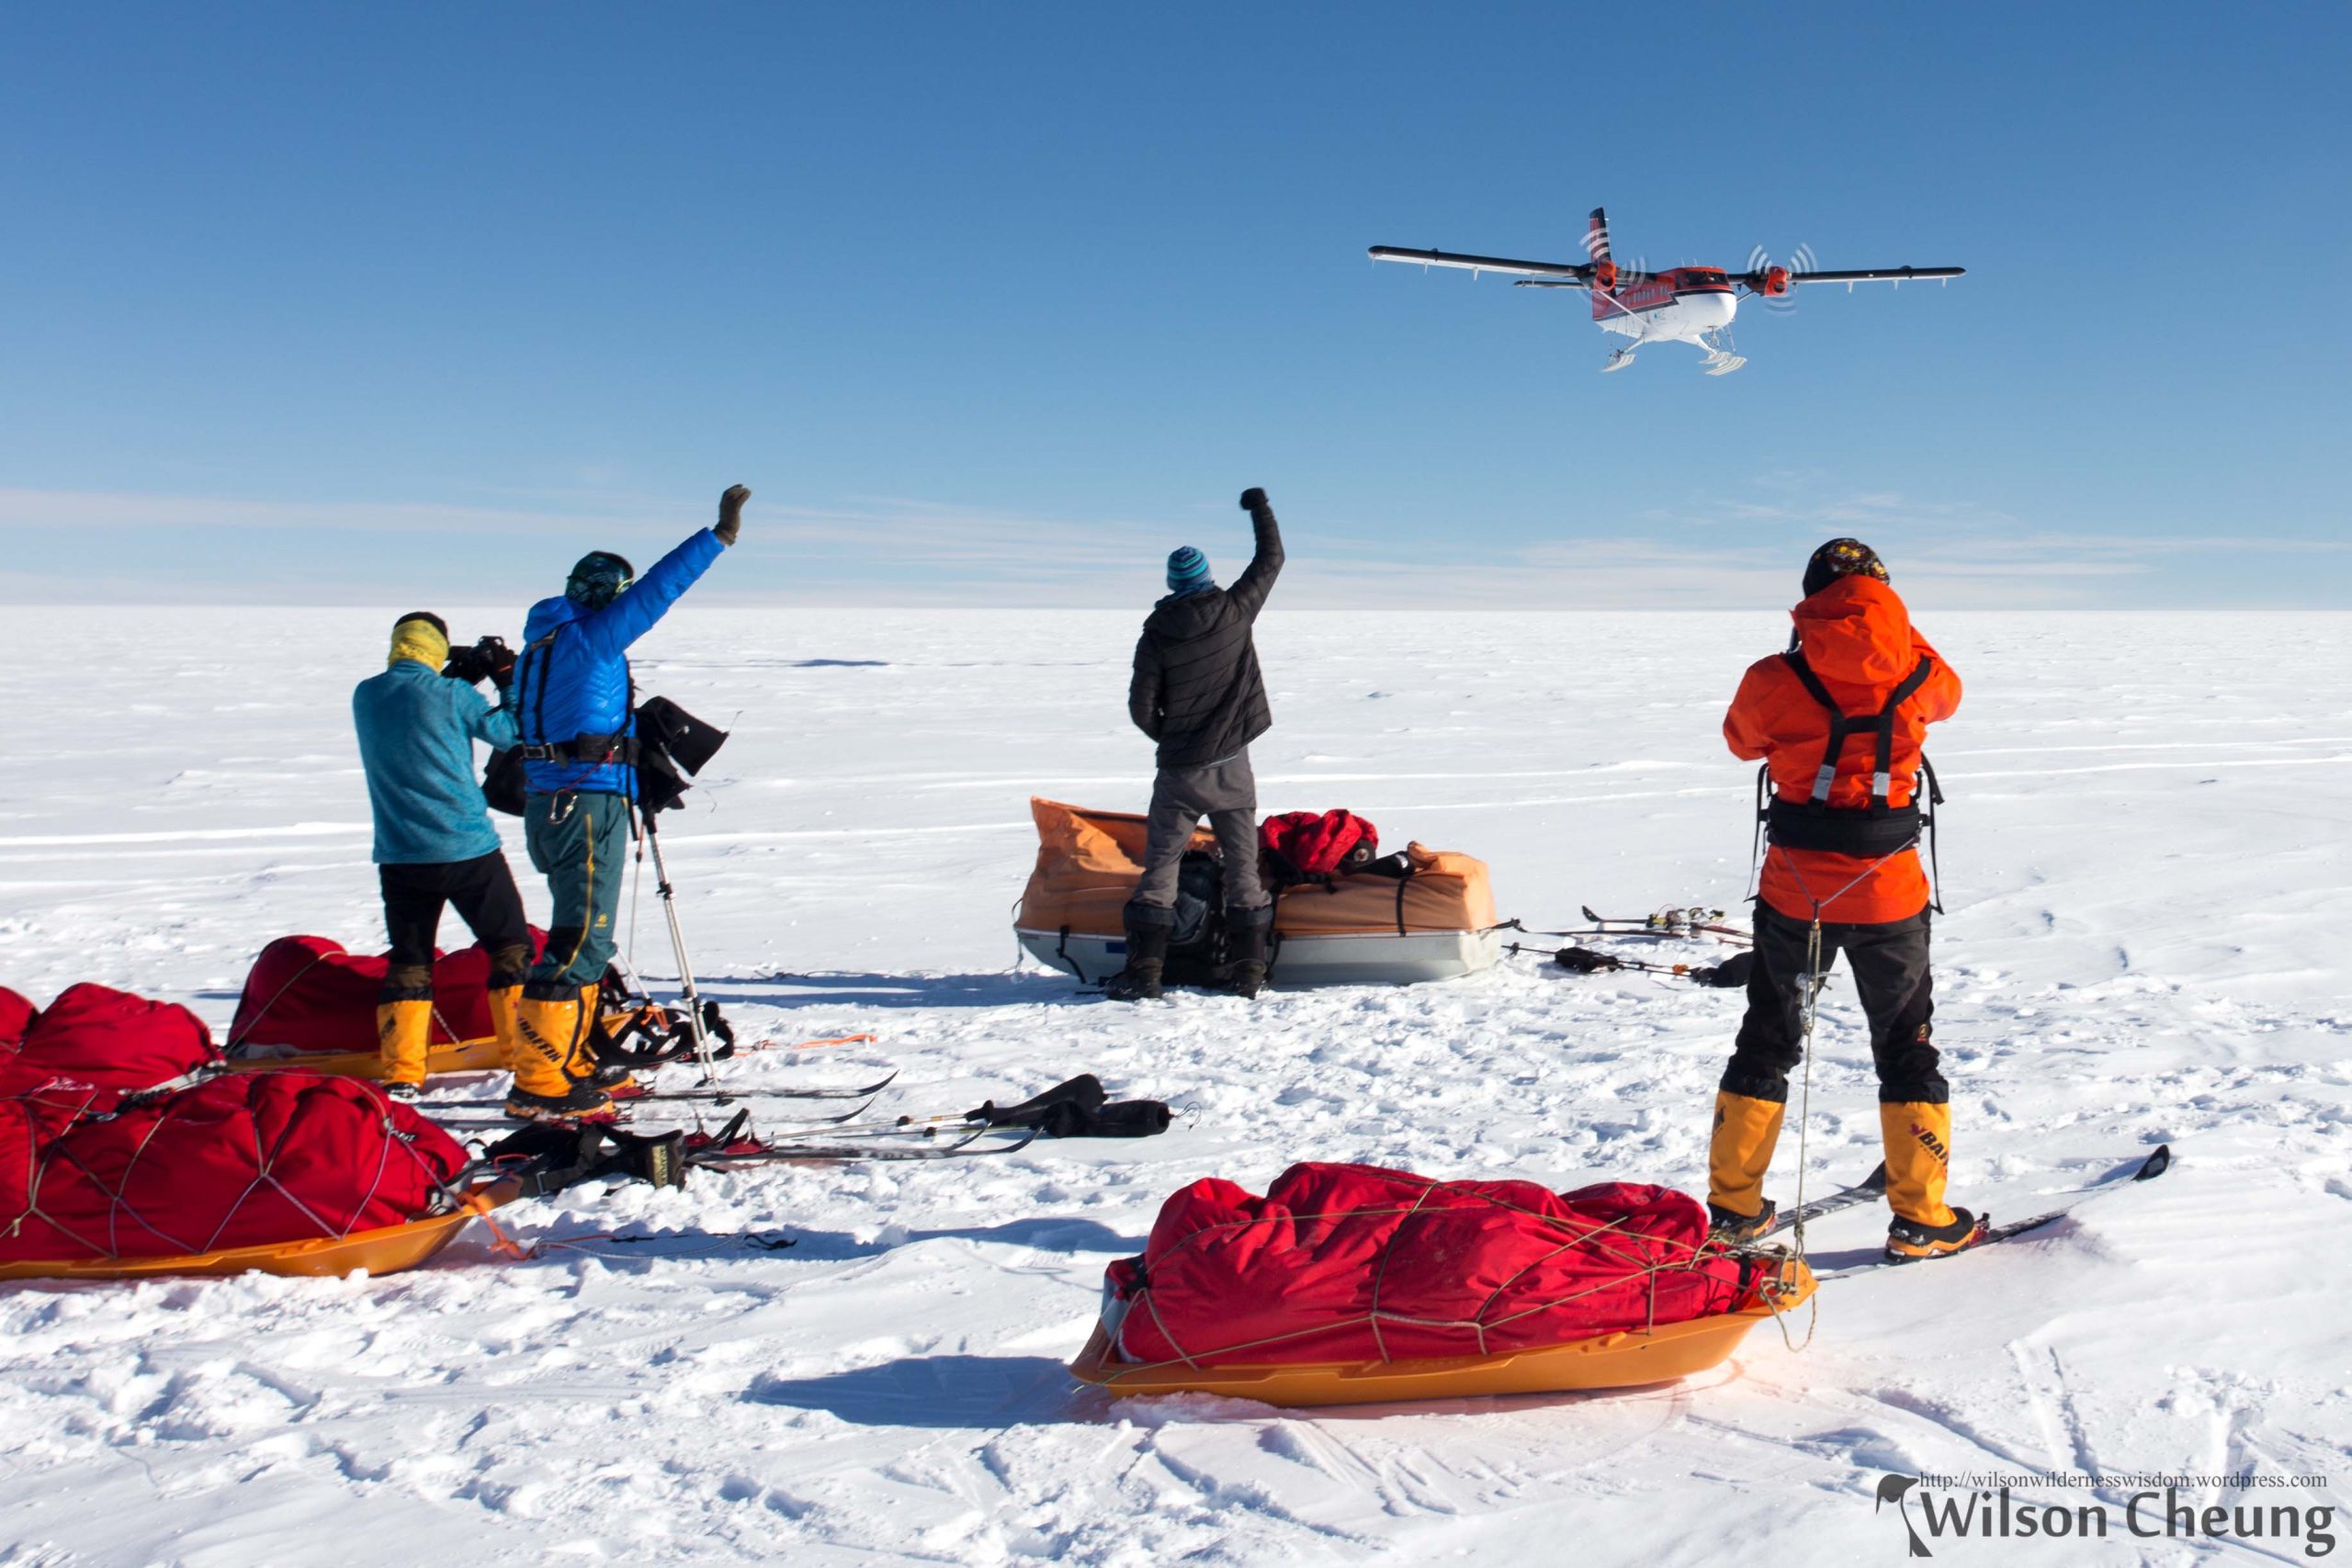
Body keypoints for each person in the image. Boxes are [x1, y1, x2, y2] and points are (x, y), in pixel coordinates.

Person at [1708, 538, 1979, 1261]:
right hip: (1890, 894)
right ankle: (1920, 1216)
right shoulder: (1919, 670)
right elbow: (1950, 696)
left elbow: (1740, 742)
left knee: (1766, 1039)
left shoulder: (1773, 678)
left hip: (1794, 891)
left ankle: (1734, 1209)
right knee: (1906, 1046)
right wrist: (1894, 630)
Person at [503, 484, 748, 1123]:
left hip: (551, 804)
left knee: (581, 934)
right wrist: (716, 538)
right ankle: (539, 1082)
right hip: (586, 806)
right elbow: (658, 592)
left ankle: (572, 1059)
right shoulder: (589, 639)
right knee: (581, 940)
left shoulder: (537, 647)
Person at [1105, 487, 1284, 1002]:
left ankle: (1146, 974)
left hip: (1180, 773)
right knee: (1243, 868)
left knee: (1161, 868)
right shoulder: (1235, 610)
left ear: (1172, 583)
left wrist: (1174, 739)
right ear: (1206, 576)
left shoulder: (1156, 633)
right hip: (1232, 770)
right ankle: (1249, 971)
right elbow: (1271, 558)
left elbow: (1141, 707)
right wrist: (1259, 509)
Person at [350, 613, 529, 1099]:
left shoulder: (365, 695)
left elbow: (415, 708)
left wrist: (456, 678)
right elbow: (512, 732)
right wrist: (506, 680)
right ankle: (524, 1059)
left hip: (401, 855)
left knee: (410, 963)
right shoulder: (453, 696)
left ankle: (404, 1072)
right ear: (438, 648)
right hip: (467, 849)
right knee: (509, 948)